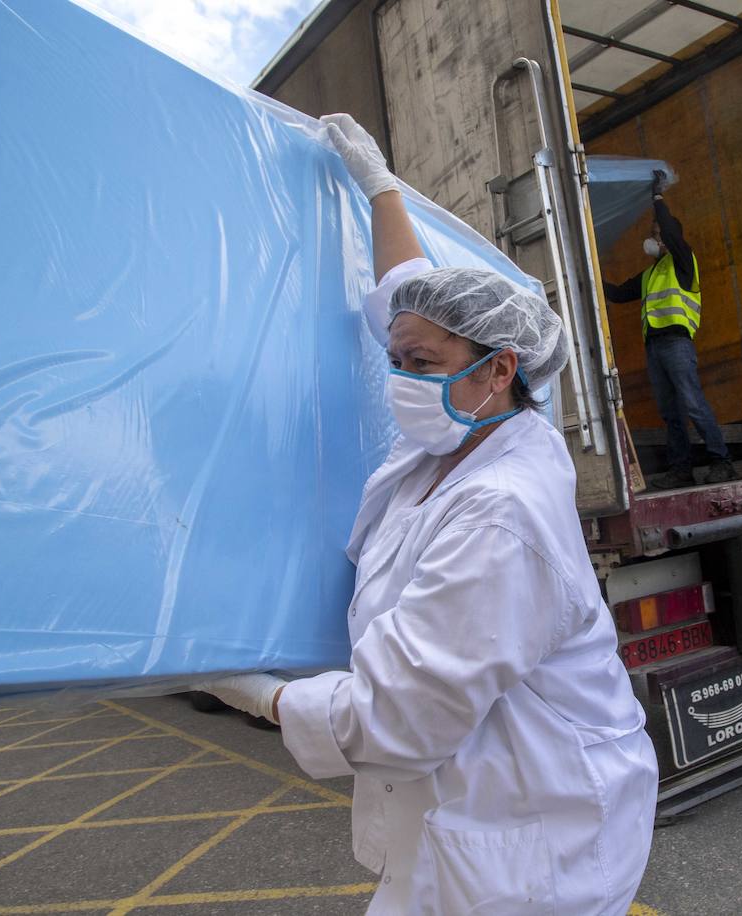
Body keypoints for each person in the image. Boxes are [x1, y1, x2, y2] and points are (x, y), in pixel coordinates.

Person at [195, 113, 657, 913]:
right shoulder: (462, 434)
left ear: (500, 368)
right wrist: (381, 190)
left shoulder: (499, 514)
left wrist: (255, 693)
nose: (402, 378)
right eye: (395, 362)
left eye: (421, 363)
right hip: (478, 807)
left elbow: (395, 716)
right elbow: (408, 301)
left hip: (533, 841)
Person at [603, 173, 735, 489]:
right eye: (653, 234)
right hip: (655, 348)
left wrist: (658, 198)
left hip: (677, 343)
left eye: (658, 234)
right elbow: (618, 293)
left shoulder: (683, 261)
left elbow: (672, 231)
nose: (654, 239)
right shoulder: (651, 273)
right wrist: (588, 275)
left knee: (692, 403)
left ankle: (722, 462)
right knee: (670, 412)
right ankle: (681, 469)